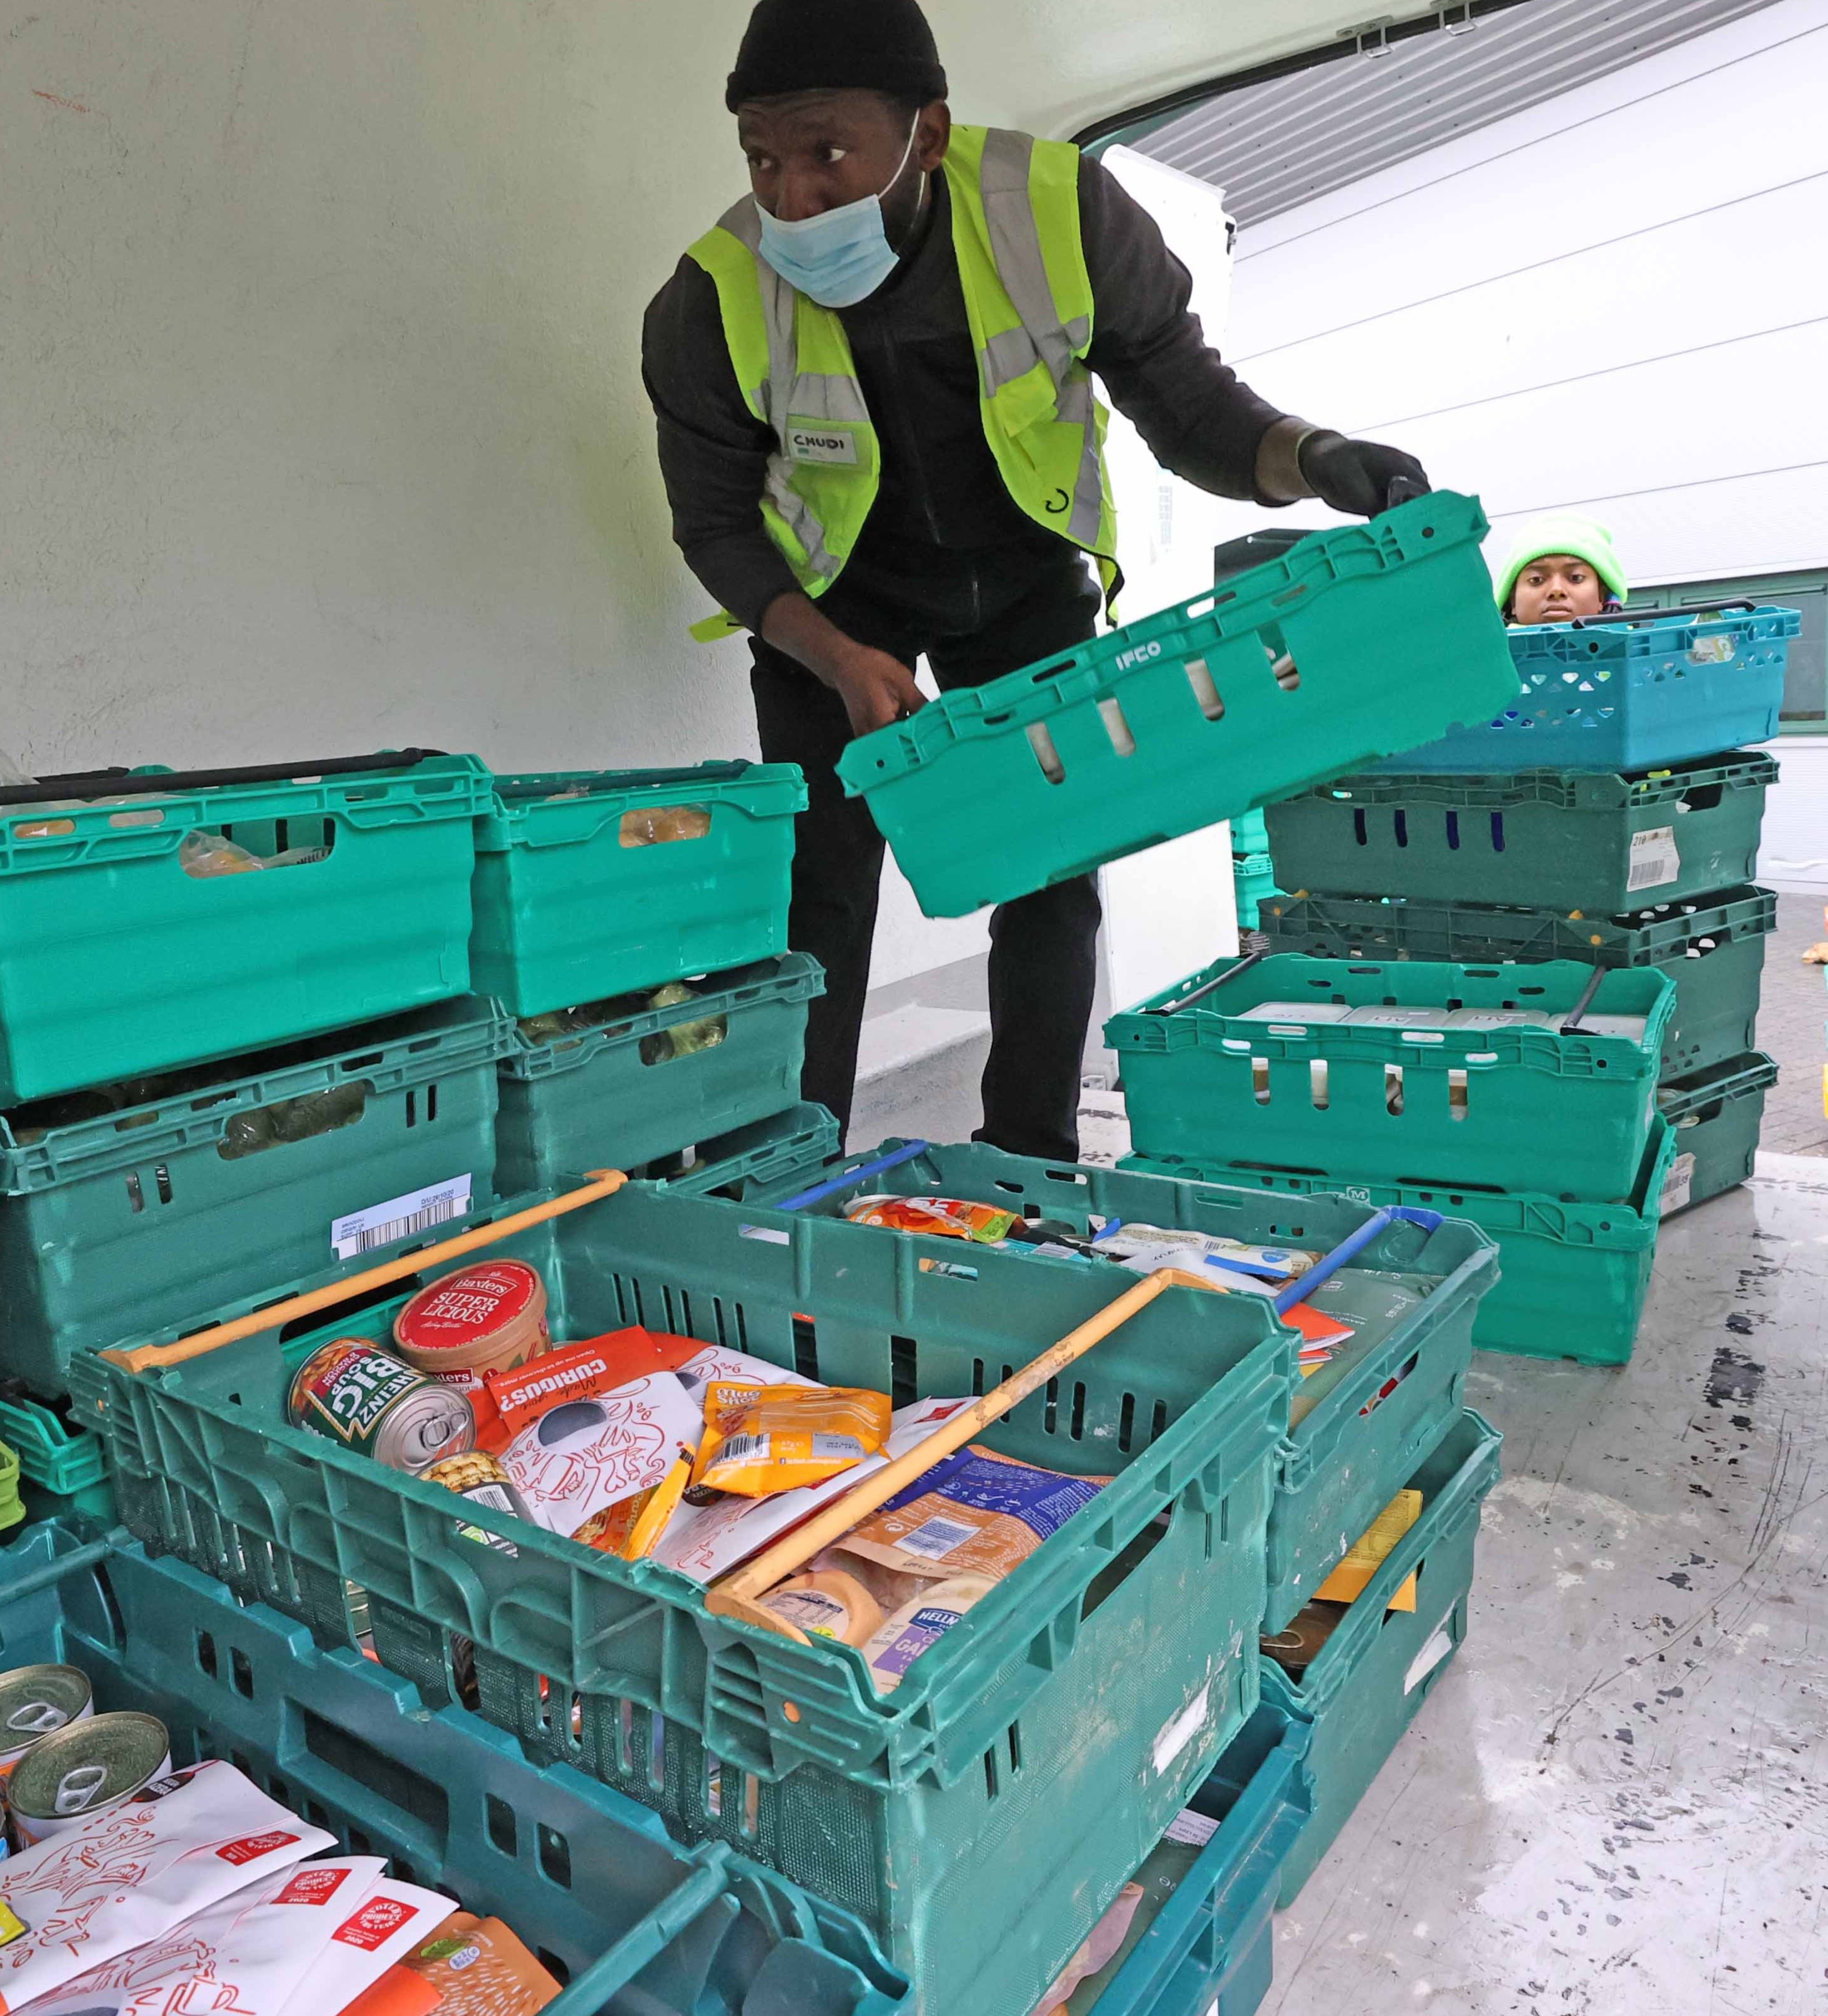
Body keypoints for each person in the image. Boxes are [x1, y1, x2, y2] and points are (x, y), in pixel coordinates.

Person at [641, 0, 1431, 1157]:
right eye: (764, 159)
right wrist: (837, 656)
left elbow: (1189, 405)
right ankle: (787, 1167)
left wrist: (1311, 458)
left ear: (926, 133)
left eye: (826, 154)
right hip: (833, 605)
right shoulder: (708, 297)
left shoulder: (1058, 211)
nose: (792, 196)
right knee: (819, 888)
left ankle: (1028, 1159)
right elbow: (713, 524)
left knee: (1049, 871)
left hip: (1020, 579)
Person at [1497, 512, 1626, 625]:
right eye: (1536, 579)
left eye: (1576, 578)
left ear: (1602, 597)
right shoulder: (1483, 651)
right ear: (1513, 600)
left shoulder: (1637, 648)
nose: (1556, 590)